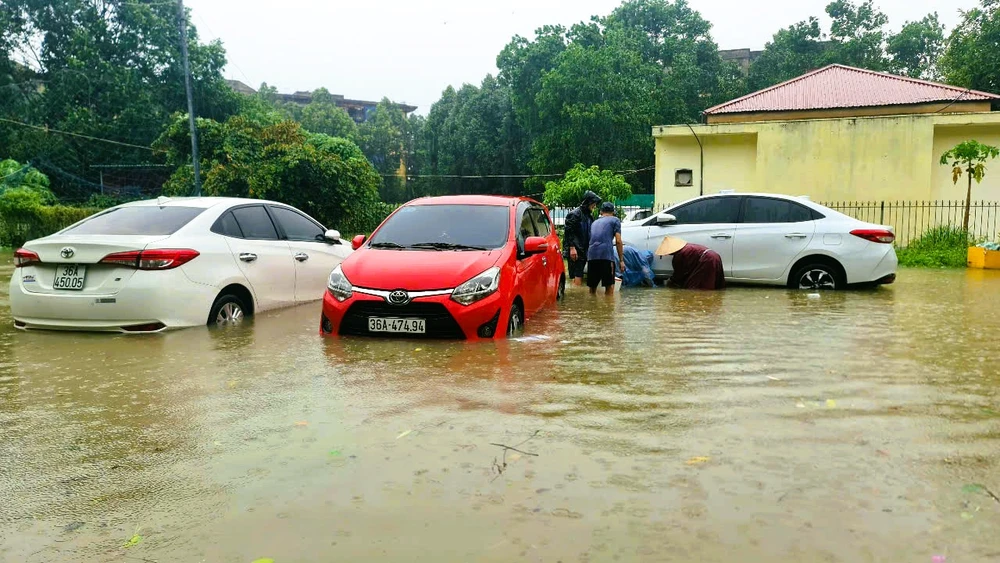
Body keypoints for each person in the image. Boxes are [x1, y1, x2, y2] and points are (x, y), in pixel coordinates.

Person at [655, 236, 726, 290]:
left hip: (707, 260)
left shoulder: (680, 254)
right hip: (715, 257)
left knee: (695, 288)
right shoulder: (688, 247)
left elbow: (679, 273)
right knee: (715, 284)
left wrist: (671, 281)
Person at [587, 201, 626, 295]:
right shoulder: (615, 220)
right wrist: (621, 260)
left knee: (592, 288)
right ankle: (608, 308)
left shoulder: (594, 222)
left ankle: (592, 307)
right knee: (609, 286)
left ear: (601, 212)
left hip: (591, 256)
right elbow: (618, 241)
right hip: (606, 256)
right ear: (613, 212)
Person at [563, 190, 601, 286]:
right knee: (577, 273)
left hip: (584, 249)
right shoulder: (575, 214)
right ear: (588, 202)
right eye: (593, 204)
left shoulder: (589, 216)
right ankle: (577, 296)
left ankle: (576, 293)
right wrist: (572, 248)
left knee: (579, 274)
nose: (594, 206)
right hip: (575, 249)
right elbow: (568, 232)